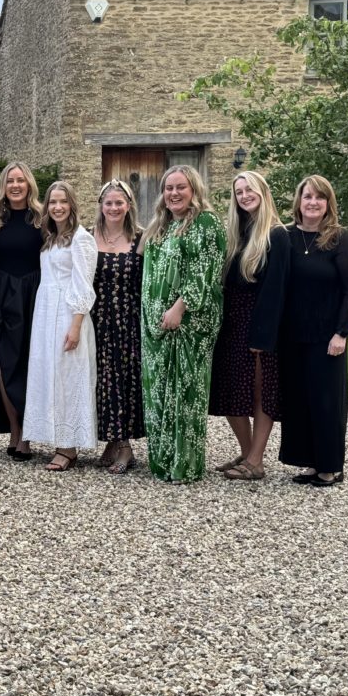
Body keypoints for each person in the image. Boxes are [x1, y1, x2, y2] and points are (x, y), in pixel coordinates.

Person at [139, 165, 226, 484]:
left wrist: (179, 308)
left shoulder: (205, 222)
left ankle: (185, 465)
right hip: (156, 328)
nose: (174, 193)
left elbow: (206, 272)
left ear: (194, 189)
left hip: (189, 325)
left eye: (180, 187)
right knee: (159, 393)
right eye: (168, 188)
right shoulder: (161, 224)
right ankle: (161, 461)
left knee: (185, 393)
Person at [279, 175, 348, 487]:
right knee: (300, 401)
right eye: (307, 196)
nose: (312, 202)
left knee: (326, 402)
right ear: (298, 201)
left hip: (327, 337)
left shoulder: (339, 239)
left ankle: (330, 467)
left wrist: (342, 333)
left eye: (319, 197)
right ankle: (311, 463)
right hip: (293, 337)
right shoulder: (285, 236)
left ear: (328, 204)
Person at [209, 171, 290, 481]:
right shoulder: (237, 233)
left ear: (262, 191)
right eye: (239, 191)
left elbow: (276, 290)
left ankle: (256, 461)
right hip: (232, 322)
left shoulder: (276, 235)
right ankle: (247, 452)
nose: (244, 195)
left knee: (258, 394)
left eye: (249, 189)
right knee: (231, 391)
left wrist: (264, 335)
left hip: (259, 323)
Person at [23, 182, 98, 470]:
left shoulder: (80, 238)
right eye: (52, 202)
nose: (57, 207)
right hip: (46, 313)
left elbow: (83, 283)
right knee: (49, 374)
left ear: (72, 205)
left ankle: (68, 447)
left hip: (68, 314)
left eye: (62, 202)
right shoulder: (52, 238)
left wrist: (76, 324)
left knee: (67, 376)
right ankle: (58, 438)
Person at [0, 161, 43, 460]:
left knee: (30, 364)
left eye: (21, 180)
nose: (16, 185)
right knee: (3, 365)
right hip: (0, 298)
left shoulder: (43, 218)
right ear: (3, 187)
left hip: (35, 296)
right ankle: (15, 429)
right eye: (10, 181)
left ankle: (30, 432)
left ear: (29, 184)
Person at [92, 179, 146, 474]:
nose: (113, 208)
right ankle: (113, 441)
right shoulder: (89, 237)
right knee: (103, 382)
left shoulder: (141, 238)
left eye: (119, 203)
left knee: (124, 381)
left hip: (128, 321)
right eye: (108, 203)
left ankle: (125, 446)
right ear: (101, 206)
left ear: (128, 206)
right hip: (98, 320)